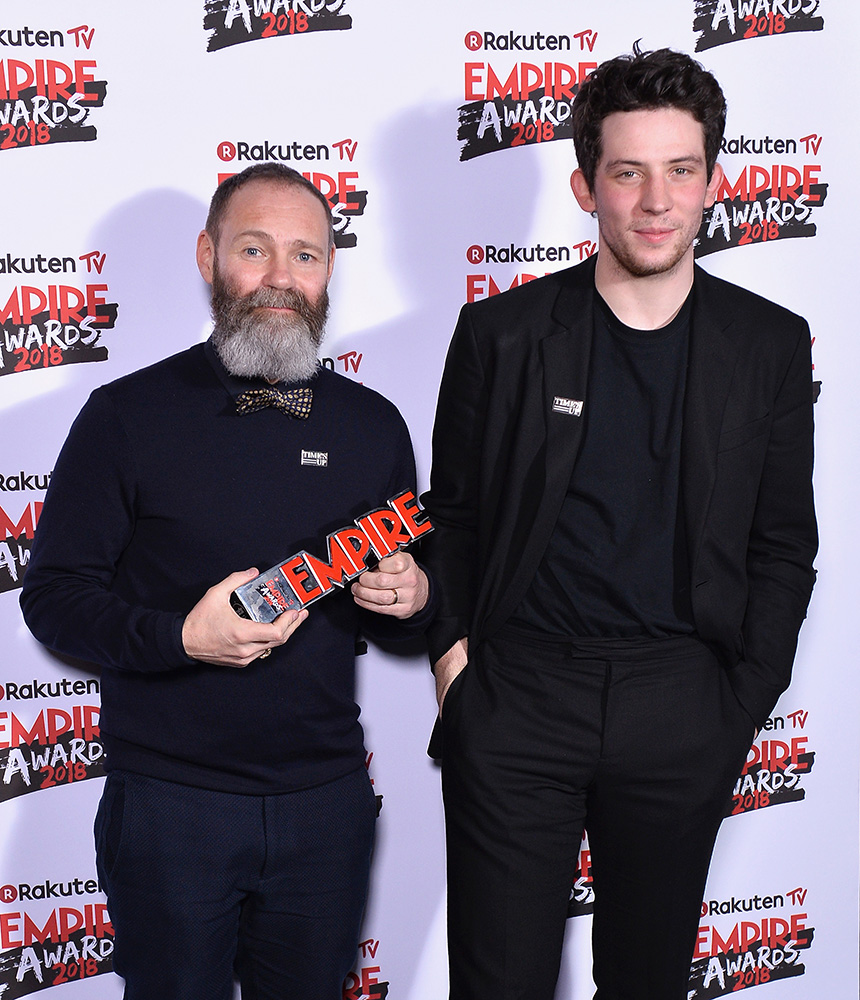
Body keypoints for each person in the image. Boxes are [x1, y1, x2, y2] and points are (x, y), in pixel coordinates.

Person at [421, 48, 817, 1000]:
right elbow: (453, 520)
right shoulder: (502, 336)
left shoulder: (767, 343)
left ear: (713, 184)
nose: (656, 200)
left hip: (683, 704)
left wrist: (741, 702)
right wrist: (456, 673)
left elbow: (782, 545)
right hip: (519, 700)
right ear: (586, 187)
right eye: (628, 172)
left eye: (681, 170)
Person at [20, 163, 433, 1000]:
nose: (281, 277)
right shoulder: (125, 416)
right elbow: (54, 600)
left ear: (328, 271)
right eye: (254, 249)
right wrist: (182, 637)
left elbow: (397, 625)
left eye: (305, 255)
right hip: (170, 808)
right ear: (209, 257)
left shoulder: (374, 426)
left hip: (327, 807)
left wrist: (412, 600)